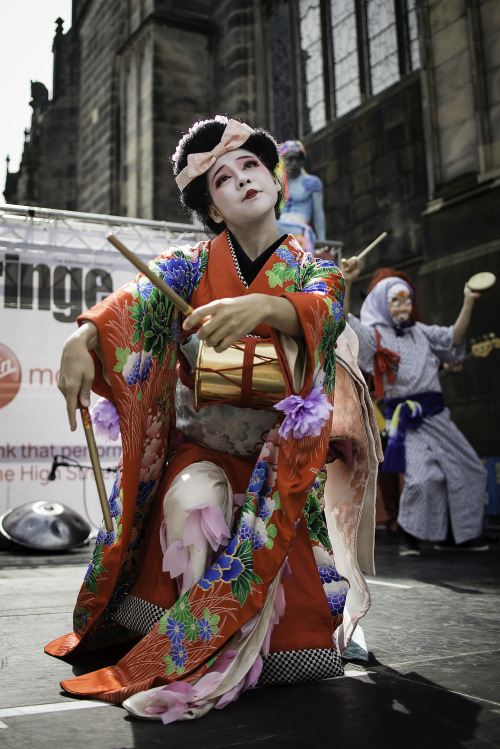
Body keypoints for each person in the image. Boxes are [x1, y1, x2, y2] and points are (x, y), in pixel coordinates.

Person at [45, 116, 380, 724]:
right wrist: (86, 336)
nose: (243, 178)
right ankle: (190, 652)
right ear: (216, 210)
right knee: (191, 504)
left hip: (279, 464)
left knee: (292, 642)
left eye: (252, 165)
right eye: (224, 177)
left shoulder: (314, 269)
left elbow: (327, 310)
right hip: (203, 447)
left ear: (277, 181)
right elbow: (136, 300)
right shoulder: (191, 266)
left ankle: (233, 646)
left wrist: (268, 305)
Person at [341, 255, 488, 557]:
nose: (403, 307)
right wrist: (348, 281)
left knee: (470, 469)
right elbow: (342, 321)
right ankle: (411, 534)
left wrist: (469, 301)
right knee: (423, 478)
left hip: (437, 416)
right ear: (383, 304)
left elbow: (453, 337)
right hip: (408, 421)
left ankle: (462, 534)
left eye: (407, 301)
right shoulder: (376, 336)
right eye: (396, 301)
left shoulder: (421, 332)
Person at [277, 139, 326, 253]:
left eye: (297, 158)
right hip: (281, 225)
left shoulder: (312, 182)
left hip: (300, 227)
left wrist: (323, 241)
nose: (294, 162)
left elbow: (319, 213)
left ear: (302, 159)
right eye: (290, 158)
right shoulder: (279, 183)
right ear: (283, 161)